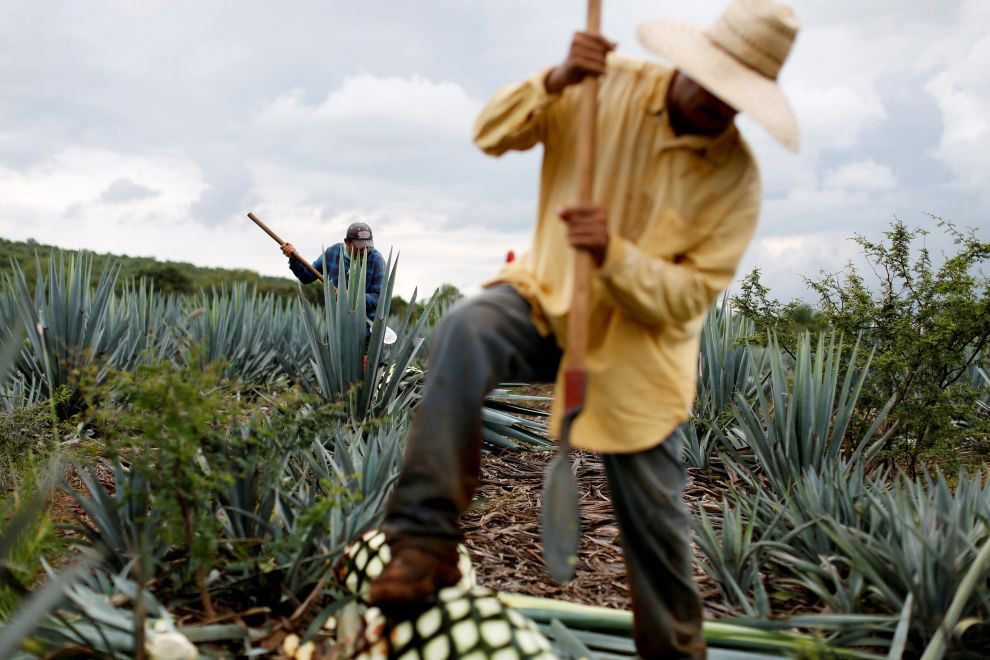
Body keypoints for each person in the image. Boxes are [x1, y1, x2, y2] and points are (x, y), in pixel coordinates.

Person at [370, 0, 800, 657]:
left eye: (735, 98)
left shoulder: (734, 180)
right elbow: (490, 133)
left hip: (638, 355)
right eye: (712, 84)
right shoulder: (603, 86)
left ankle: (673, 653)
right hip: (546, 305)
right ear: (687, 64)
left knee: (658, 532)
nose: (719, 104)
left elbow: (686, 299)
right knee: (467, 326)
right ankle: (424, 542)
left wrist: (614, 255)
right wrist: (555, 79)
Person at [281, 221, 386, 326]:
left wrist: (351, 296)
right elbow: (306, 277)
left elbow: (379, 298)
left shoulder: (377, 261)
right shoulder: (333, 253)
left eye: (367, 246)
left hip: (366, 328)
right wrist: (294, 259)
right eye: (360, 246)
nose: (364, 250)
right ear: (347, 242)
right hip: (336, 328)